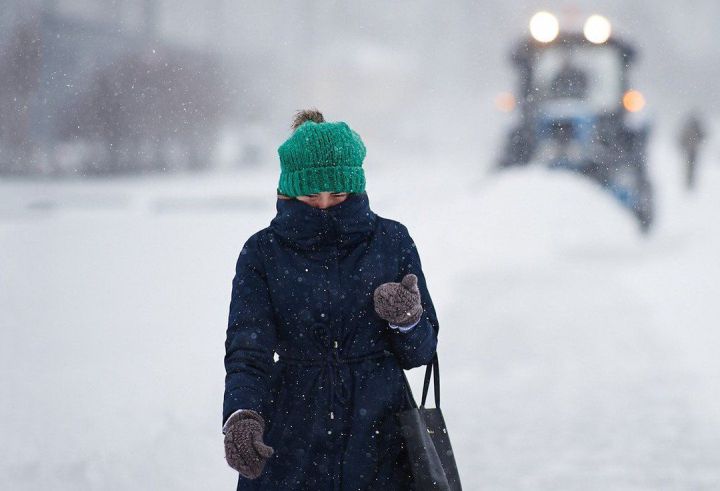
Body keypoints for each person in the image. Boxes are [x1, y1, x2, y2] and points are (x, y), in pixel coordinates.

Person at [222, 109, 440, 490]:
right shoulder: (262, 253)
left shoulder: (391, 241)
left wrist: (407, 320)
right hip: (292, 437)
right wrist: (242, 414)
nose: (324, 205)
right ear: (287, 191)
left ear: (355, 188)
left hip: (382, 438)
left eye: (337, 194)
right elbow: (247, 351)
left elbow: (420, 353)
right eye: (310, 195)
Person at [678, 112, 707, 190]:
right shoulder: (696, 127)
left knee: (690, 166)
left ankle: (690, 181)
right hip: (692, 150)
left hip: (691, 150)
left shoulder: (689, 127)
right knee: (691, 166)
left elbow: (681, 138)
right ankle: (690, 181)